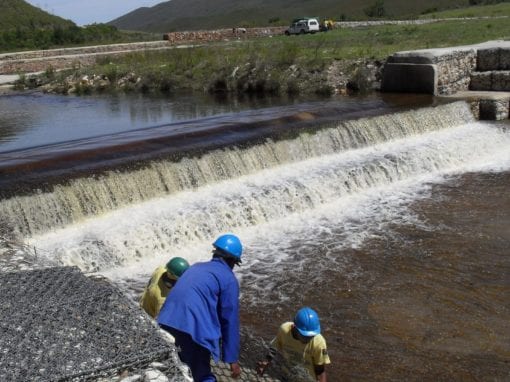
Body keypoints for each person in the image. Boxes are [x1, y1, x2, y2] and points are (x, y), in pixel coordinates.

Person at [157, 233, 243, 381]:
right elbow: (229, 319)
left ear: (215, 253)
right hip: (192, 331)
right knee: (201, 374)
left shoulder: (196, 267)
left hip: (165, 322)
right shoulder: (228, 279)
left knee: (174, 367)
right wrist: (232, 359)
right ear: (233, 261)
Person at [257, 307, 331, 382]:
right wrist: (265, 362)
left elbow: (320, 370)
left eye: (311, 336)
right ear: (294, 327)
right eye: (304, 336)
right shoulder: (285, 330)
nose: (308, 339)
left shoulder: (318, 342)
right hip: (287, 375)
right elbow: (274, 348)